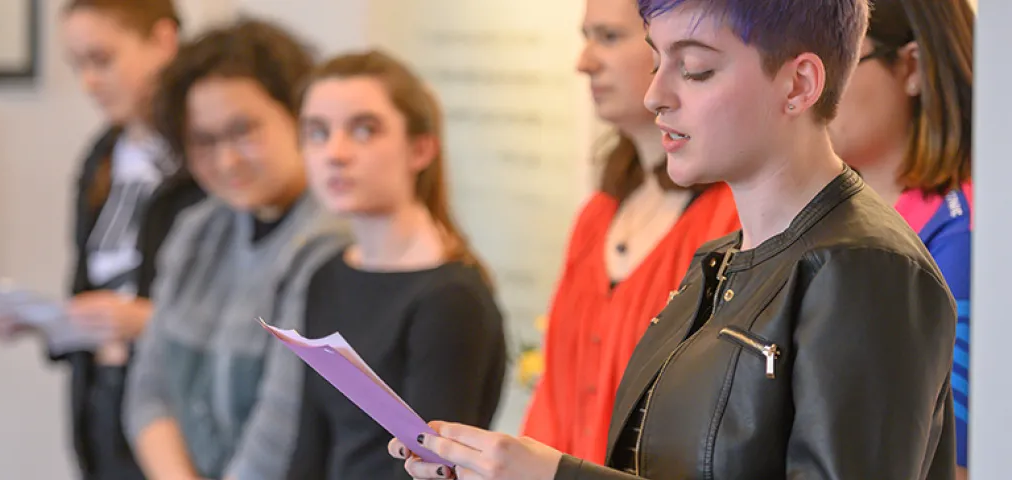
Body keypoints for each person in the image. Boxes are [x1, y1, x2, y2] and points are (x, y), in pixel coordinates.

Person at [389, 0, 958, 478]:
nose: (655, 95)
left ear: (799, 83)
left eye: (695, 70)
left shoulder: (866, 268)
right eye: (658, 61)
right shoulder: (720, 262)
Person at [0, 1, 199, 479]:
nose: (88, 83)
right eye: (78, 66)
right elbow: (87, 291)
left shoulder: (205, 161)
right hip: (100, 406)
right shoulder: (101, 156)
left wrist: (145, 321)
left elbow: (239, 312)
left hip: (182, 416)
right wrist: (41, 321)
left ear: (163, 41)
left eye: (102, 59)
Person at [123, 19, 349, 480]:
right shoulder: (196, 230)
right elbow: (149, 390)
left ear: (298, 116)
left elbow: (279, 433)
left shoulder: (331, 243)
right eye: (204, 141)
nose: (227, 160)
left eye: (244, 130)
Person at [520, 0, 739, 465]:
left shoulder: (731, 219)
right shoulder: (595, 217)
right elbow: (553, 396)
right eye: (586, 38)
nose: (584, 62)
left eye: (610, 38)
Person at [285, 50, 508, 480]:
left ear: (420, 148)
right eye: (317, 132)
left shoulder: (451, 298)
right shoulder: (326, 275)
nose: (335, 152)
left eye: (364, 130)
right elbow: (309, 446)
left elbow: (431, 470)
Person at [827, 1, 974, 476]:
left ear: (912, 67)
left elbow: (958, 462)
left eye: (840, 59)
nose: (809, 89)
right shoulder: (828, 216)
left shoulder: (964, 233)